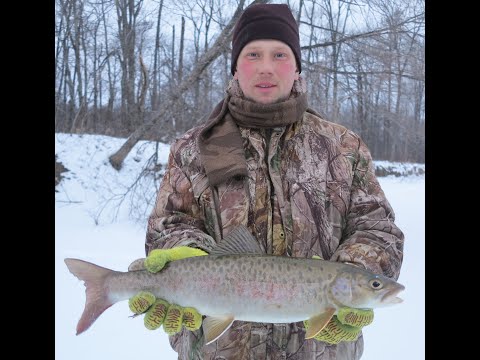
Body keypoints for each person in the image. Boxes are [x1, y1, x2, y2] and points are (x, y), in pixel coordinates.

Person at [128, 3, 404, 359]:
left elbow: (377, 226)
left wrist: (358, 273)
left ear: (297, 65)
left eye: (279, 54)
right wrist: (191, 258)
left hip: (322, 351)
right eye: (253, 54)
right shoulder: (192, 148)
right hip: (217, 349)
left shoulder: (342, 145)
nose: (266, 67)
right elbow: (168, 225)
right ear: (235, 66)